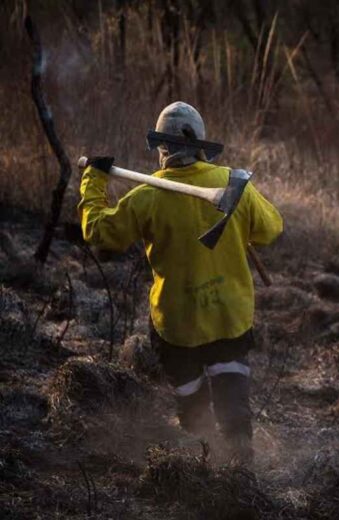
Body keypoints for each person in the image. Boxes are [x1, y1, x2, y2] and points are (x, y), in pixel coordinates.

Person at [78, 101, 283, 462]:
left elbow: (99, 232)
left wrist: (93, 183)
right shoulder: (235, 184)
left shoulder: (145, 197)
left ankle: (200, 458)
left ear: (162, 149)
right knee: (231, 385)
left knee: (192, 403)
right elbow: (271, 229)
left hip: (177, 323)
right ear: (201, 144)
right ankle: (239, 461)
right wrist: (244, 223)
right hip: (229, 316)